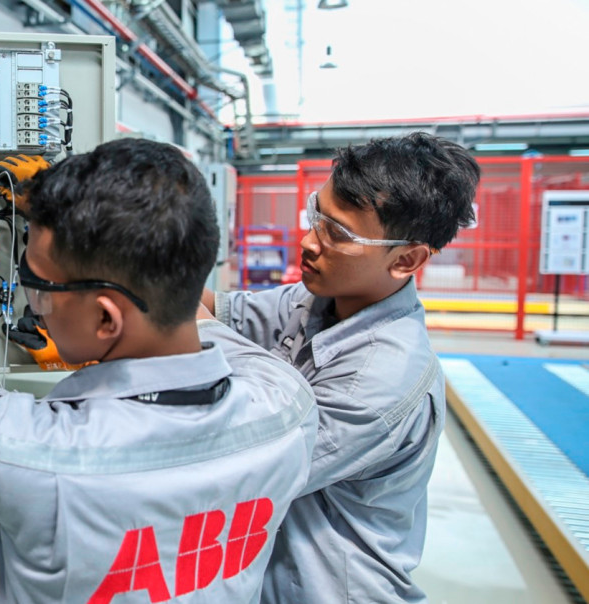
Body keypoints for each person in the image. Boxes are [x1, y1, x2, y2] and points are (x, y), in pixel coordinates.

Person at [0, 138, 317, 603]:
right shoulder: (286, 403)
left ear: (107, 319)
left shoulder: (34, 450)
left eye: (38, 288)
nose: (36, 306)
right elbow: (191, 312)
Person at [203, 132, 480, 603]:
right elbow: (226, 310)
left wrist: (175, 318)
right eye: (317, 217)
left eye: (338, 234)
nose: (310, 242)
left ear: (407, 259)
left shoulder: (380, 378)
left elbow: (252, 465)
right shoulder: (318, 300)